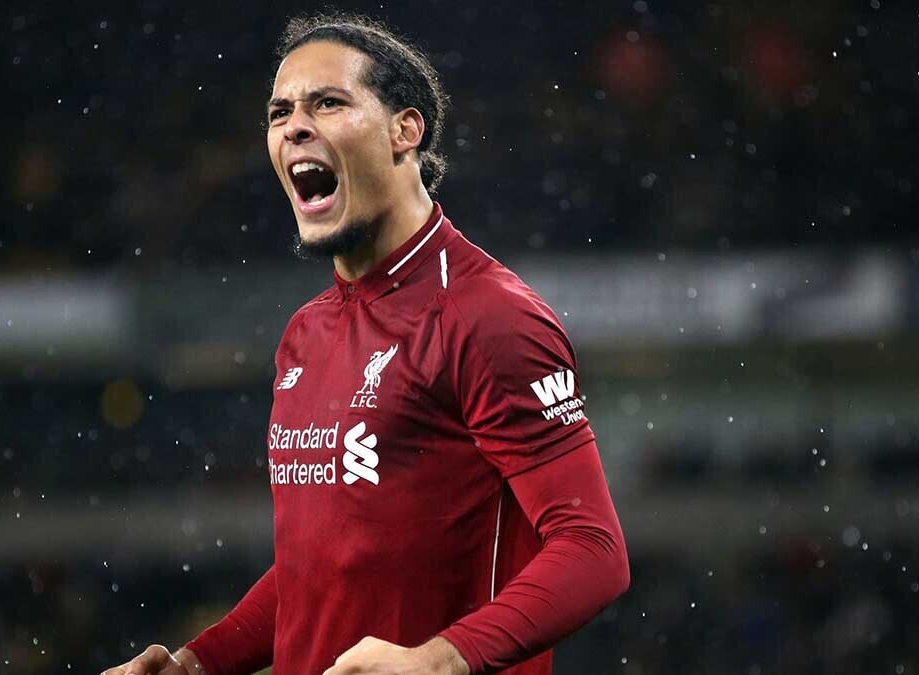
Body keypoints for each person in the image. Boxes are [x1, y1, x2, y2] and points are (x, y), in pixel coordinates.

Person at [102, 13, 628, 675]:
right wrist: (197, 662)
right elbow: (320, 570)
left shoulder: (488, 316)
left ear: (405, 131)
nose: (294, 126)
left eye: (328, 102)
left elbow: (593, 549)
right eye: (279, 112)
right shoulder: (305, 334)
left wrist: (440, 659)